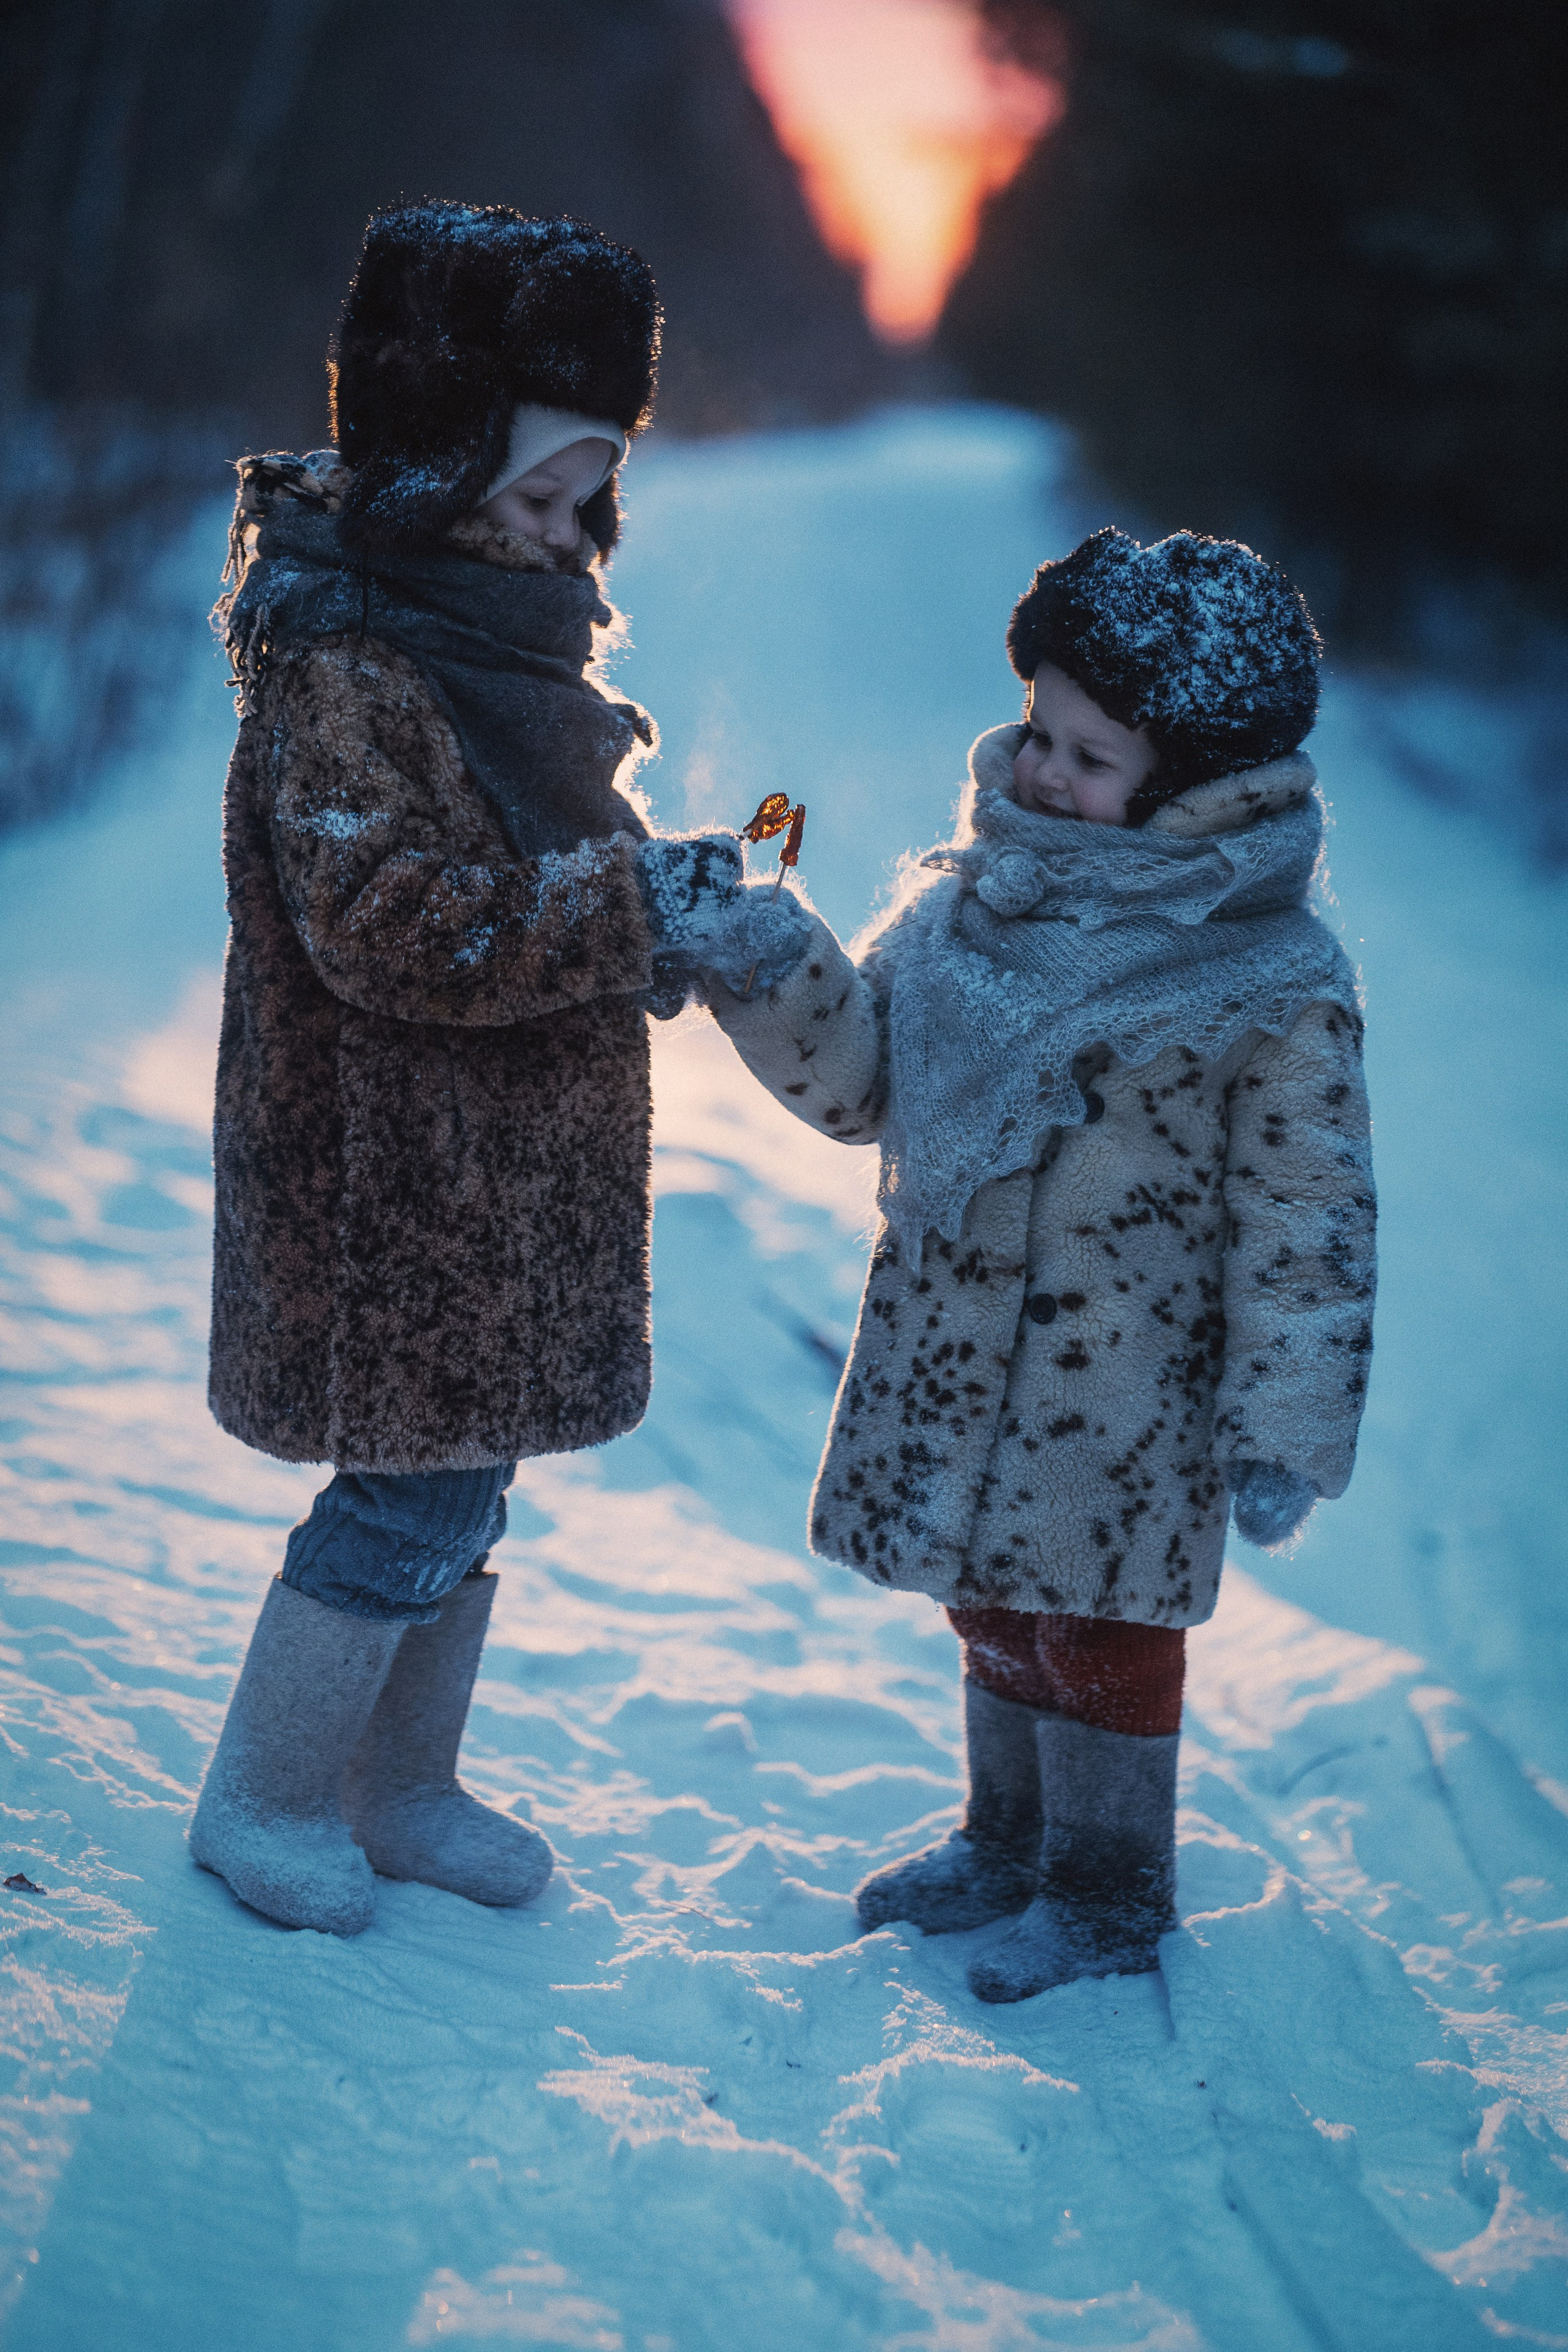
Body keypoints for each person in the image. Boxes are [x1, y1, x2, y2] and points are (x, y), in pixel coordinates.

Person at [190, 200, 784, 1937]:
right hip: (394, 1187)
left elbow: (528, 880)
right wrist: (617, 908)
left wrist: (657, 914)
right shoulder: (351, 662)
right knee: (408, 1492)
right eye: (536, 492)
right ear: (433, 464)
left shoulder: (501, 640)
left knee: (461, 1486)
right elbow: (386, 921)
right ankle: (268, 1796)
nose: (569, 530)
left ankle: (400, 1784)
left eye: (591, 494)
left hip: (491, 1184)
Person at [702, 527, 1376, 2002]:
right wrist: (771, 970)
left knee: (1104, 1640)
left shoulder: (1268, 982)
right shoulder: (970, 910)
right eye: (1036, 733)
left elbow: (1309, 1228)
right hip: (957, 1354)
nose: (1036, 775)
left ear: (1192, 790)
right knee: (992, 1605)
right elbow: (865, 1080)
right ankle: (1004, 1842)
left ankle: (1107, 1893)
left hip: (1126, 1408)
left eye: (1086, 756)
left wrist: (1285, 1427)